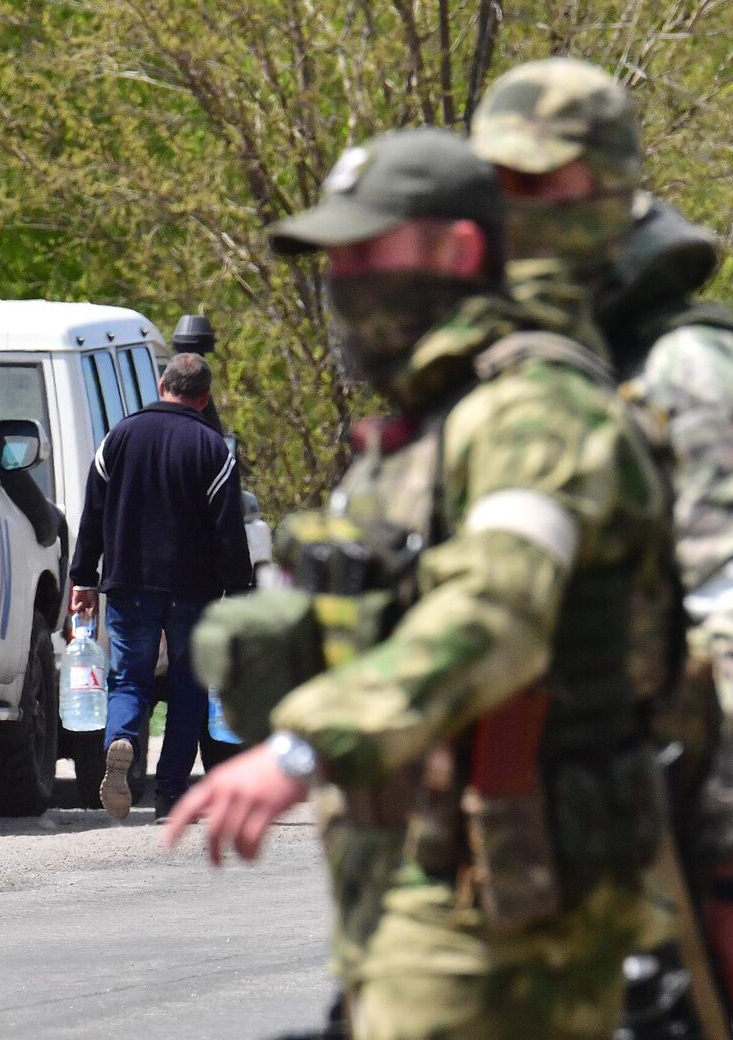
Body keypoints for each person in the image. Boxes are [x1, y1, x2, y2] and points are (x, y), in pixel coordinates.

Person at [165, 128, 677, 1039]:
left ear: (461, 250)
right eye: (334, 257)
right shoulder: (417, 432)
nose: (343, 279)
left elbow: (501, 609)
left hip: (511, 905)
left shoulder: (534, 413)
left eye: (368, 250)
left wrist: (301, 752)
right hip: (410, 889)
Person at [472, 57, 733, 1029]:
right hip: (493, 856)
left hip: (636, 853)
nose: (522, 213)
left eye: (547, 185)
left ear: (615, 188)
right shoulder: (507, 365)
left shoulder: (684, 370)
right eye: (504, 187)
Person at [70, 352, 254, 821]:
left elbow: (92, 513)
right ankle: (171, 793)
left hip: (129, 583)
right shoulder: (214, 449)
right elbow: (228, 530)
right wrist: (239, 590)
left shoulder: (119, 438)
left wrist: (82, 579)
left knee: (129, 678)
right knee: (190, 686)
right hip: (194, 589)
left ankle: (122, 740)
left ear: (161, 384)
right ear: (205, 397)